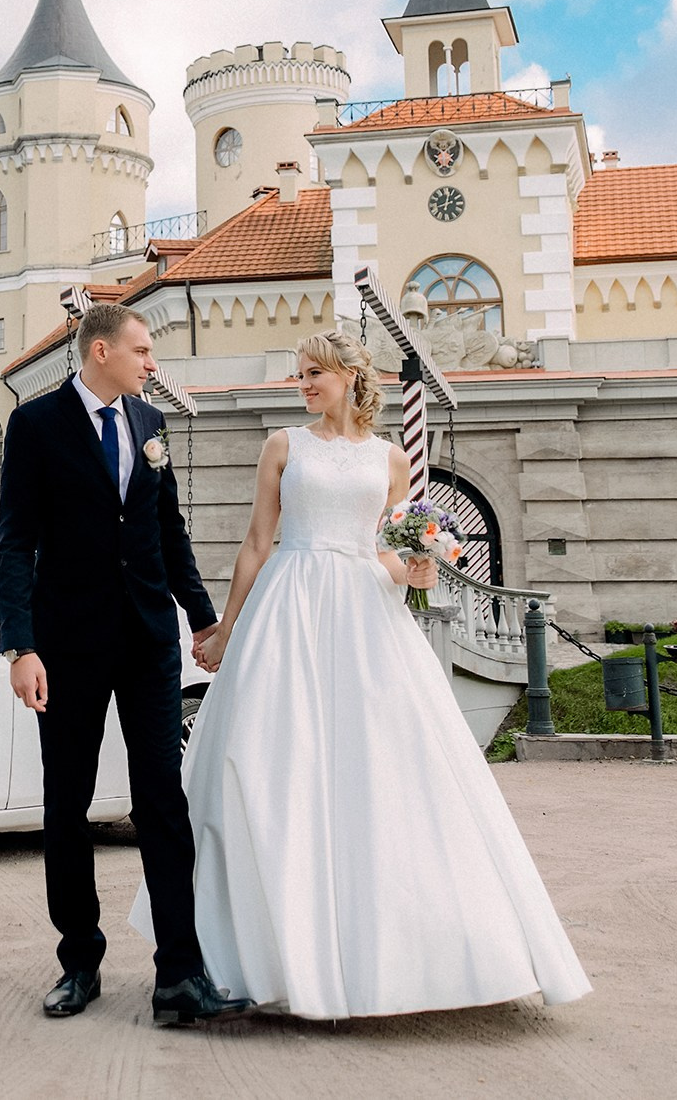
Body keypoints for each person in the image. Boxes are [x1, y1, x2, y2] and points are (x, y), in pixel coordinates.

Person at [138, 326, 592, 1019]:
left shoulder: (390, 457)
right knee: (267, 764)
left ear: (352, 375)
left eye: (316, 371)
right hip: (288, 606)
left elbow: (390, 547)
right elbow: (259, 539)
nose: (306, 383)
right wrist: (227, 627)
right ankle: (257, 952)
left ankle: (398, 957)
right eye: (300, 374)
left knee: (380, 768)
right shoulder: (283, 445)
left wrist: (413, 567)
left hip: (365, 614)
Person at [0, 303, 256, 1028]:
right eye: (142, 350)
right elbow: (15, 543)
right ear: (100, 350)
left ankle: (179, 973)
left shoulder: (150, 426)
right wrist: (20, 646)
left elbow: (167, 531)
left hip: (148, 640)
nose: (152, 363)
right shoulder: (37, 425)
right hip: (66, 645)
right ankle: (79, 960)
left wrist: (204, 619)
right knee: (67, 806)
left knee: (162, 803)